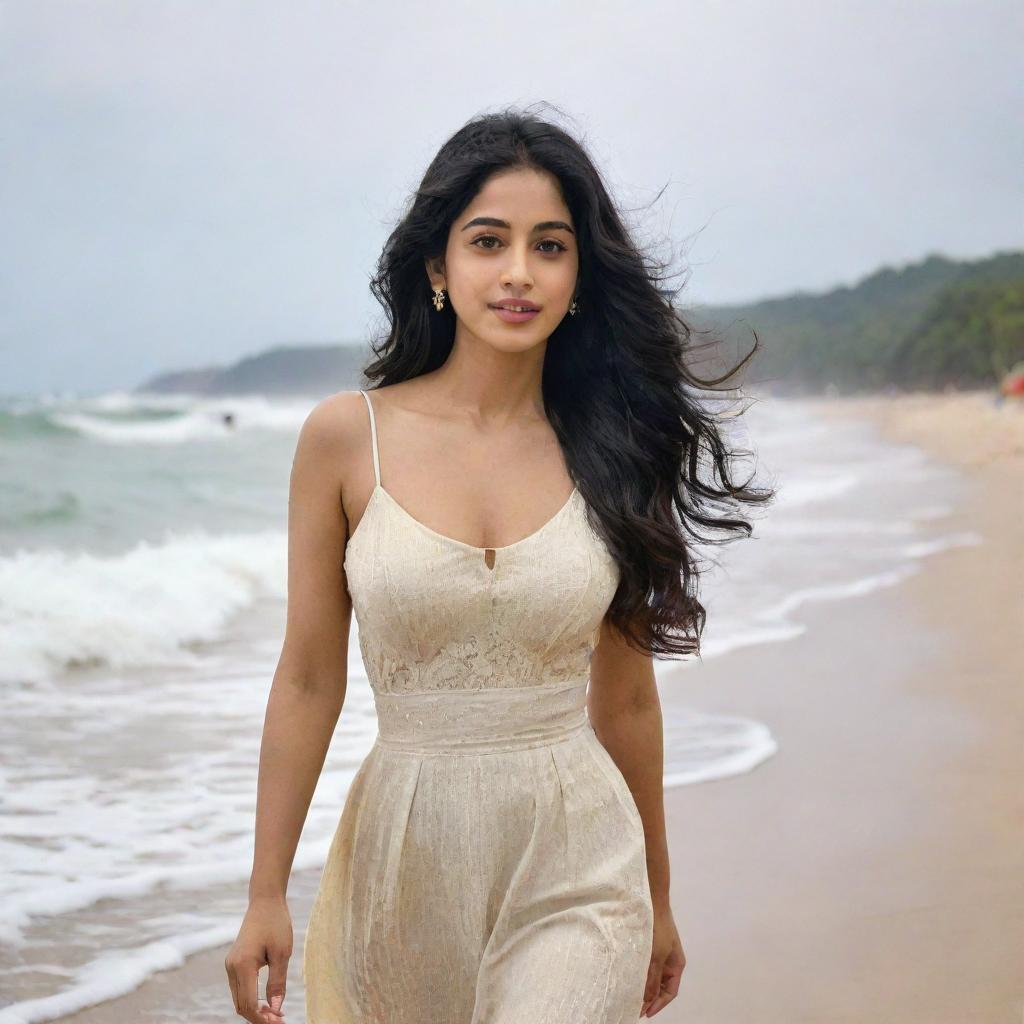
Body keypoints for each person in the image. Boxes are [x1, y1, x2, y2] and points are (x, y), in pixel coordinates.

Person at [225, 104, 773, 1024]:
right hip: (402, 866)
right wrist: (265, 891)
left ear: (580, 277)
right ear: (438, 266)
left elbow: (628, 699)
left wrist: (661, 898)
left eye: (550, 247)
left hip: (579, 864)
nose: (519, 273)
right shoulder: (344, 441)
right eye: (489, 241)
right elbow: (311, 678)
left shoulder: (610, 449)